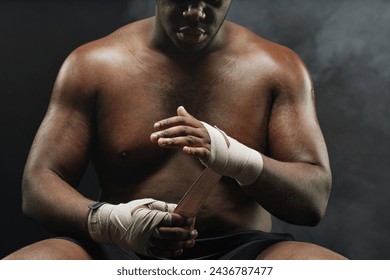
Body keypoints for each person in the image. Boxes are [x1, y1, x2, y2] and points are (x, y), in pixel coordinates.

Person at [4, 0, 346, 260]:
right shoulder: (93, 65)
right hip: (120, 249)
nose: (196, 13)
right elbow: (37, 185)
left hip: (245, 255)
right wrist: (111, 221)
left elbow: (312, 200)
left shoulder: (277, 68)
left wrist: (242, 161)